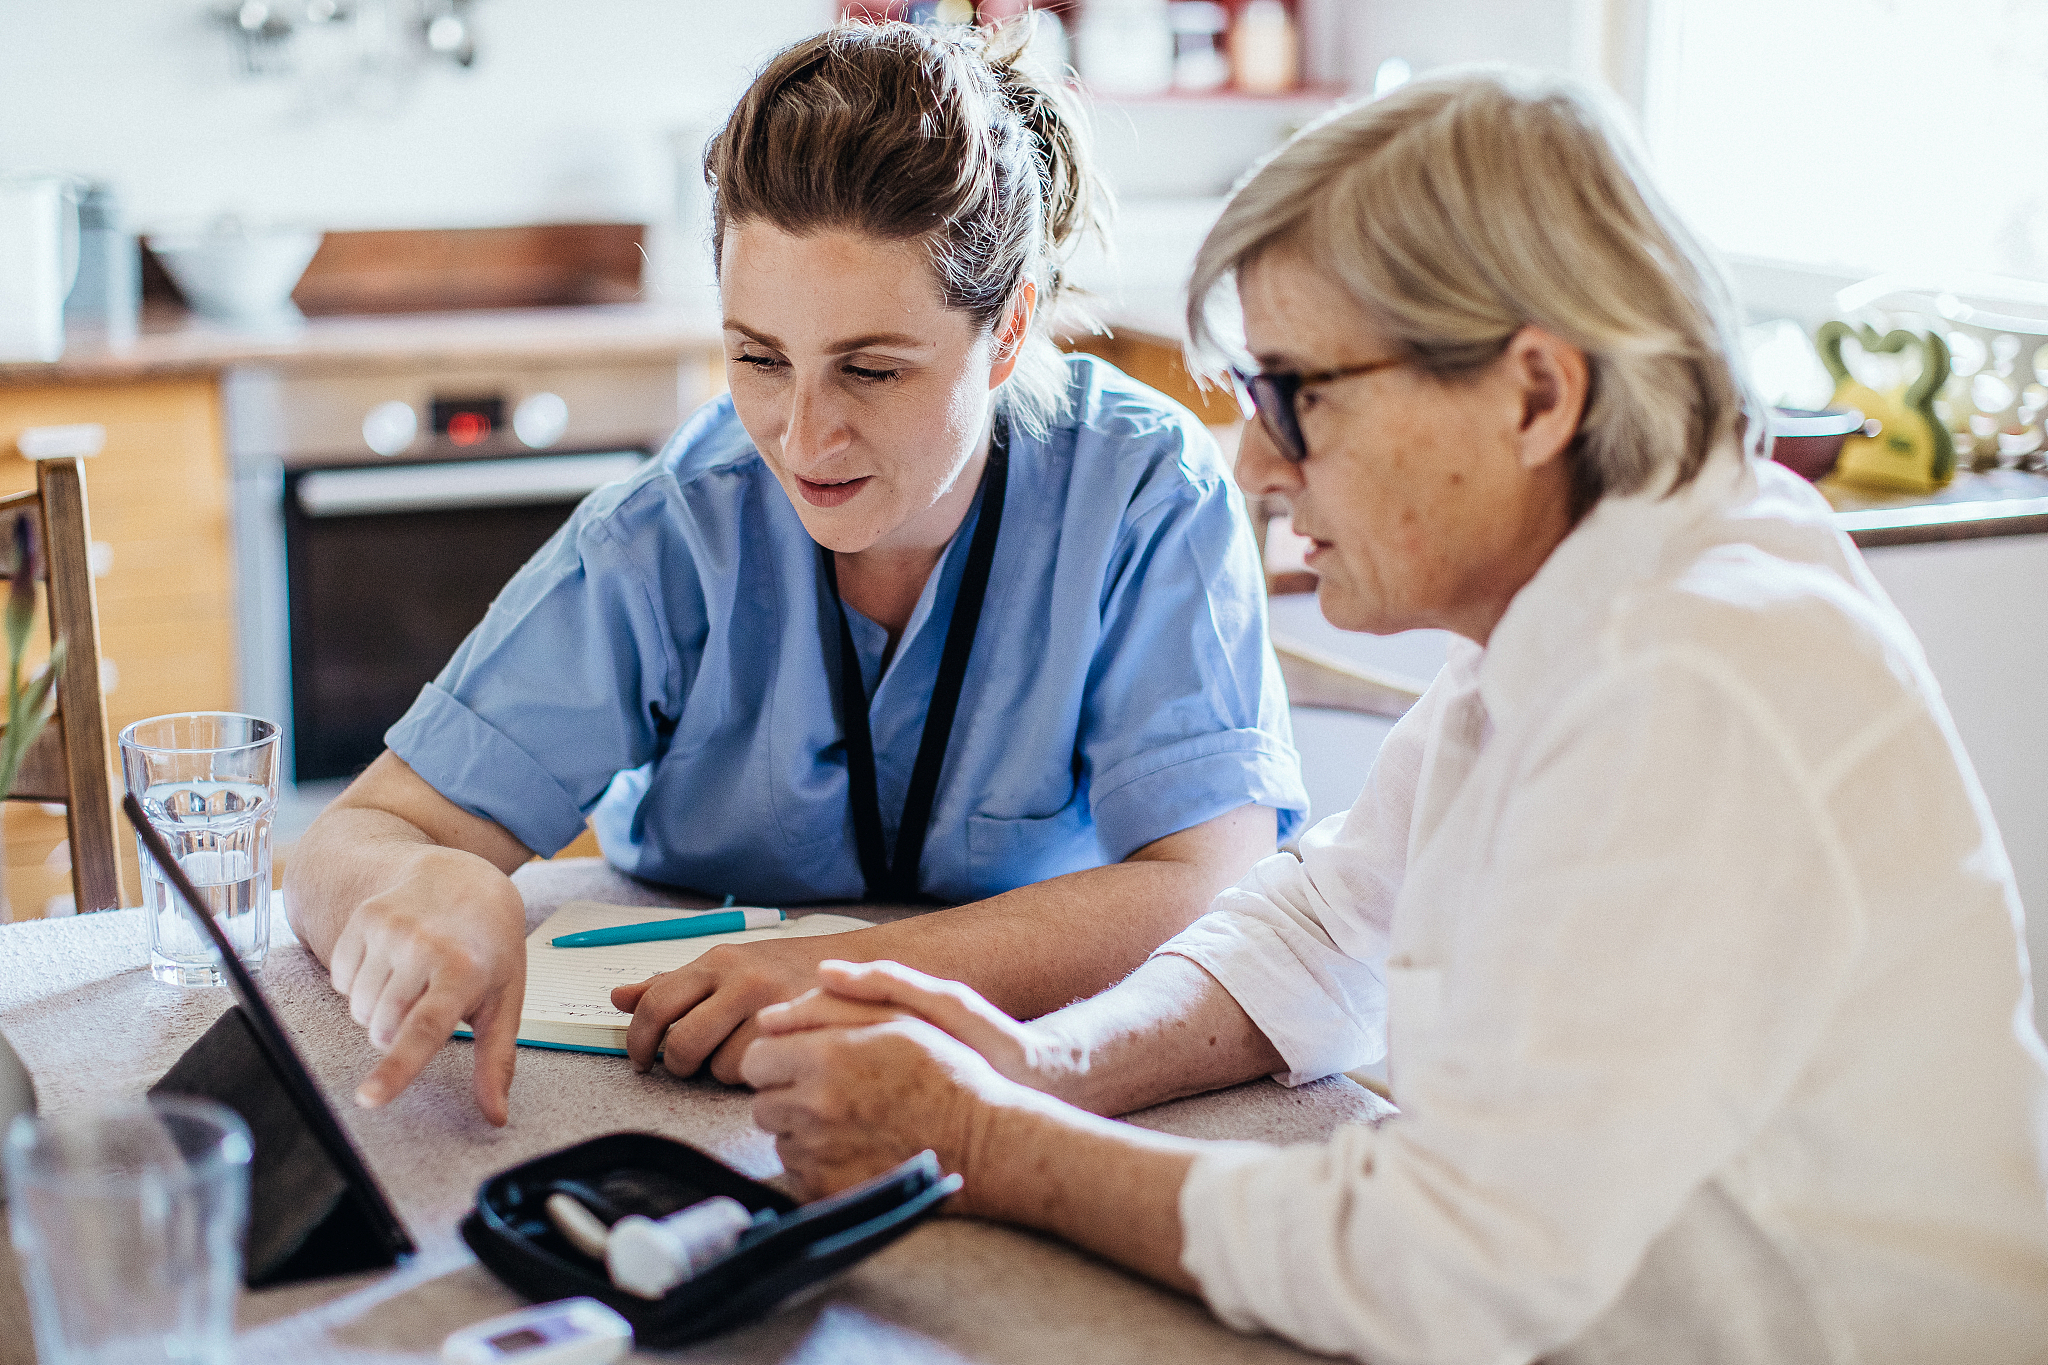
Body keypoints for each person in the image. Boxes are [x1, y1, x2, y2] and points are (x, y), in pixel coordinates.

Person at [740, 68, 2048, 1364]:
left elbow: (1444, 1268)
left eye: (1296, 393)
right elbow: (1321, 922)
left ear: (1536, 396)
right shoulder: (1592, 609)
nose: (1256, 462)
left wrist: (985, 1138)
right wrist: (1041, 1064)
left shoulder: (1692, 678)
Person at [284, 20, 1306, 1126]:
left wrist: (849, 979)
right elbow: (349, 842)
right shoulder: (671, 532)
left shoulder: (1146, 494)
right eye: (758, 360)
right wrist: (418, 885)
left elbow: (1212, 882)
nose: (802, 441)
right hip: (677, 1079)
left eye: (869, 370)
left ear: (1007, 332)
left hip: (1019, 1067)